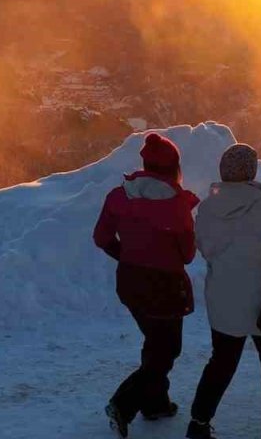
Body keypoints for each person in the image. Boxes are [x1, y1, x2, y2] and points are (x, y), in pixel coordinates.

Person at [185, 143, 261, 439]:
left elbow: (205, 248)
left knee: (221, 362)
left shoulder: (207, 205)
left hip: (223, 295)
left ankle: (198, 424)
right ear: (251, 171)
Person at [93, 132, 200, 438]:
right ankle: (122, 404)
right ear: (173, 167)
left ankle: (156, 404)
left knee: (155, 343)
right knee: (166, 350)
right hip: (164, 287)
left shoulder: (119, 195)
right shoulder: (177, 205)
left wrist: (126, 255)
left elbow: (101, 238)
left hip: (129, 281)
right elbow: (188, 255)